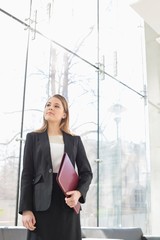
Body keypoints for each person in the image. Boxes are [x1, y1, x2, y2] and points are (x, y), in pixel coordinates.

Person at [19, 94, 93, 240]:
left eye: (56, 106)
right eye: (48, 105)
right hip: (40, 204)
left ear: (64, 114)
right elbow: (27, 174)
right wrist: (26, 209)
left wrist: (78, 194)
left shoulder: (74, 140)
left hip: (67, 202)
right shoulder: (33, 138)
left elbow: (86, 173)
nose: (50, 108)